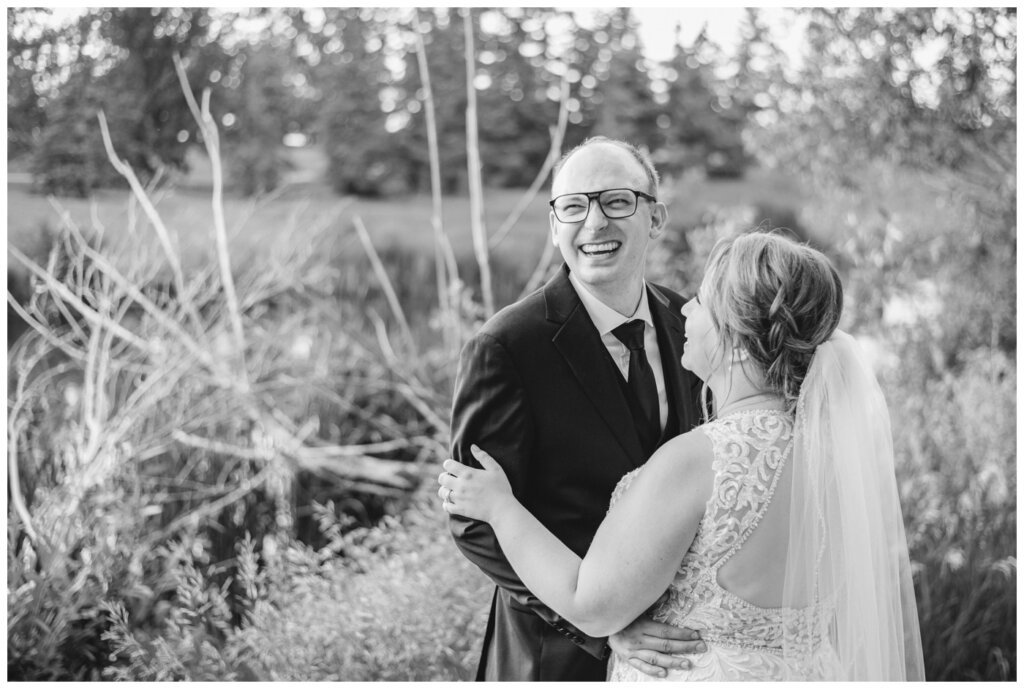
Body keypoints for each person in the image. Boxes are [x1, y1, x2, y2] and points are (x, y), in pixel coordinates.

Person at [440, 232, 926, 681]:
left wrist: (500, 508)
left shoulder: (700, 459)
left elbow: (592, 607)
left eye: (705, 302)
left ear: (737, 344)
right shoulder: (836, 452)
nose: (686, 308)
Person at [447, 137, 707, 681]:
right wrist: (597, 625)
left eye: (616, 201)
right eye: (574, 206)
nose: (594, 223)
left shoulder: (693, 322)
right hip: (552, 656)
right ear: (554, 223)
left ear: (654, 217)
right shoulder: (506, 346)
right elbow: (473, 519)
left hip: (681, 646)